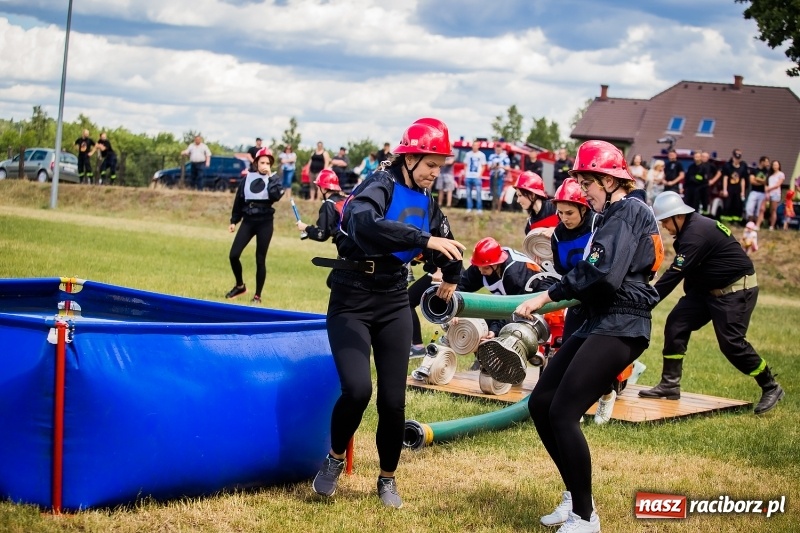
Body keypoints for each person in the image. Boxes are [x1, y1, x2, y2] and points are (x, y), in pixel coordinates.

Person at [310, 117, 465, 508]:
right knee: (358, 390)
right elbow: (363, 223)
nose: (435, 173)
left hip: (394, 298)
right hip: (352, 298)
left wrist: (452, 275)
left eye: (439, 166)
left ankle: (387, 479)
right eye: (430, 164)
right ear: (409, 157)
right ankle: (333, 459)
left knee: (393, 401)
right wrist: (421, 239)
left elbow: (444, 239)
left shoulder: (428, 199)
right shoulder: (378, 184)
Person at [513, 140, 663, 533]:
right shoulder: (613, 212)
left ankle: (585, 517)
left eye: (586, 182)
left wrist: (546, 296)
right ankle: (576, 495)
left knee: (563, 411)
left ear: (608, 180)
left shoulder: (627, 211)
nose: (583, 190)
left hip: (622, 322)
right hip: (598, 318)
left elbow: (600, 273)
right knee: (542, 402)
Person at [639, 191, 784, 417]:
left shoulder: (696, 234)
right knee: (677, 322)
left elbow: (675, 274)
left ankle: (770, 386)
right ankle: (670, 384)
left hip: (735, 290)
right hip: (706, 291)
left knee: (732, 344)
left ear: (678, 216)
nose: (664, 226)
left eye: (666, 221)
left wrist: (645, 302)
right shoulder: (689, 230)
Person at [549, 178, 618, 425]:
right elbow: (562, 269)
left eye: (569, 212)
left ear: (583, 208)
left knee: (595, 356)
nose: (564, 218)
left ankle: (608, 394)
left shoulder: (599, 225)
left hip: (602, 300)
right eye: (560, 213)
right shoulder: (557, 235)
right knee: (568, 349)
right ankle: (573, 406)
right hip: (577, 299)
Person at [458, 236, 558, 339]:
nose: (481, 271)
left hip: (537, 297)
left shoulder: (513, 276)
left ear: (497, 263)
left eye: (486, 268)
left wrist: (494, 330)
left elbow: (514, 309)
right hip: (514, 299)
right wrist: (455, 310)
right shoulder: (482, 264)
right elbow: (461, 285)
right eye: (478, 266)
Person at [226, 148, 284, 304]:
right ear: (256, 163)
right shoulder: (247, 179)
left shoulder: (274, 180)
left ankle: (257, 296)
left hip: (265, 222)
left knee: (260, 259)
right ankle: (240, 286)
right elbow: (238, 200)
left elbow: (275, 195)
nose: (264, 165)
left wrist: (271, 177)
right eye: (262, 162)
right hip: (248, 221)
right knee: (233, 255)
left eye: (267, 163)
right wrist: (233, 220)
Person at [296, 169, 346, 243]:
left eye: (318, 187)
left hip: (348, 250)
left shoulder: (329, 204)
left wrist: (306, 228)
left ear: (324, 189)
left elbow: (321, 234)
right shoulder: (344, 200)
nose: (317, 190)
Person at [721, 149, 749, 225]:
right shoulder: (727, 166)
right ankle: (726, 220)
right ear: (733, 157)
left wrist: (743, 192)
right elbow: (725, 178)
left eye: (739, 158)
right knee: (728, 204)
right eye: (736, 157)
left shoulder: (743, 166)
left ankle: (736, 221)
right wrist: (725, 190)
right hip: (730, 188)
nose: (737, 160)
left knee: (737, 205)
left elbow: (743, 180)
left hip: (738, 189)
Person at [745, 155, 769, 226]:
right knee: (749, 207)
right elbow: (752, 181)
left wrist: (758, 179)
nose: (768, 163)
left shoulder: (767, 172)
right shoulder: (754, 170)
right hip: (754, 191)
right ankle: (750, 223)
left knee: (759, 209)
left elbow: (767, 182)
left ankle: (756, 224)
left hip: (763, 193)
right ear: (762, 162)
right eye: (766, 161)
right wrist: (763, 182)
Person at [464, 141, 486, 213]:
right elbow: (465, 164)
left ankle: (479, 209)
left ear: (478, 146)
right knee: (468, 193)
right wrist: (465, 174)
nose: (474, 146)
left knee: (478, 192)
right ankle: (469, 207)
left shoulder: (481, 155)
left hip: (477, 176)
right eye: (473, 145)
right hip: (468, 175)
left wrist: (480, 175)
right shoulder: (468, 154)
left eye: (476, 145)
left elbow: (484, 166)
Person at [488, 144, 511, 212]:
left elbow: (508, 168)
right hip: (493, 175)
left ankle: (498, 209)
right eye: (497, 149)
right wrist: (493, 166)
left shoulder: (505, 157)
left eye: (499, 149)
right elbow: (488, 167)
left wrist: (501, 166)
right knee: (493, 192)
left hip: (500, 176)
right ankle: (493, 208)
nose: (498, 151)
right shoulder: (492, 156)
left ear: (501, 149)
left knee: (498, 193)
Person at [765, 160, 785, 230]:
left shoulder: (781, 174)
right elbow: (766, 183)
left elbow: (778, 185)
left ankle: (772, 225)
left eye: (776, 165)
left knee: (774, 210)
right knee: (769, 210)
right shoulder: (770, 175)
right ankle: (769, 223)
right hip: (769, 194)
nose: (775, 166)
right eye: (774, 165)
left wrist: (769, 189)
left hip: (775, 194)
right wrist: (767, 191)